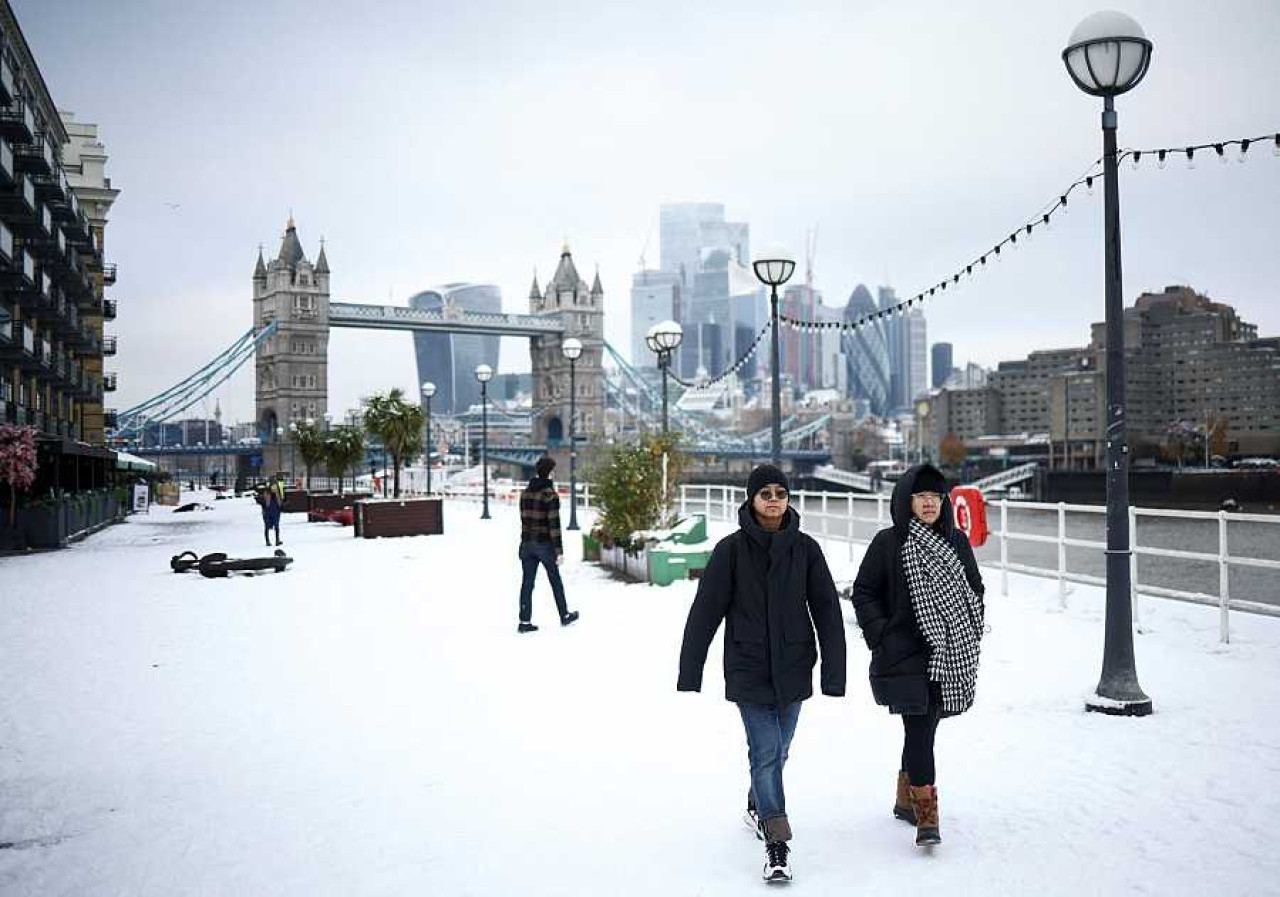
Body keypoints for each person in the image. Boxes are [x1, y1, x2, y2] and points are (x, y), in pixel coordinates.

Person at [678, 464, 846, 884]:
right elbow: (706, 611)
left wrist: (834, 673)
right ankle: (777, 842)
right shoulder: (730, 551)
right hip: (748, 667)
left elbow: (827, 609)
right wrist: (690, 670)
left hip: (793, 666)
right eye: (765, 492)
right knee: (767, 750)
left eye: (781, 492)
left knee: (779, 750)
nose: (774, 498)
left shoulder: (806, 549)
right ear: (751, 499)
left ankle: (757, 800)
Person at [849, 463, 985, 847]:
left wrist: (967, 627)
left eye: (936, 496)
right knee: (920, 728)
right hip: (904, 654)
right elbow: (864, 592)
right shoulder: (889, 542)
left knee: (926, 727)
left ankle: (904, 800)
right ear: (906, 500)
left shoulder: (956, 543)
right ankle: (927, 816)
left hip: (951, 651)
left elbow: (975, 587)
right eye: (922, 496)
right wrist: (881, 635)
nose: (929, 503)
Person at [517, 456, 578, 633]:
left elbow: (524, 519)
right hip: (543, 544)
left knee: (527, 583)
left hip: (526, 543)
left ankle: (524, 621)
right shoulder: (550, 495)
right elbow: (554, 526)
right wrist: (559, 552)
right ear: (550, 472)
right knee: (555, 580)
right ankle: (564, 615)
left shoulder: (525, 493)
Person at [257, 475, 285, 547]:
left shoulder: (276, 492)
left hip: (274, 510)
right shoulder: (266, 492)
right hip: (268, 511)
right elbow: (262, 502)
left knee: (276, 526)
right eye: (273, 485)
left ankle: (276, 540)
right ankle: (268, 541)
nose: (274, 487)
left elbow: (280, 501)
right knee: (268, 526)